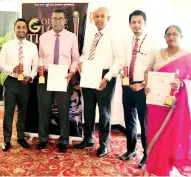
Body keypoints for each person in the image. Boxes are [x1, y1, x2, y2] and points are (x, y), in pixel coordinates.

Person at [74, 7, 123, 157]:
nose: (99, 19)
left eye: (103, 16)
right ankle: (88, 139)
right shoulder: (90, 34)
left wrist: (107, 77)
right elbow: (83, 54)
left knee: (104, 113)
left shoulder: (114, 35)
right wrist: (81, 63)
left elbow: (120, 59)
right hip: (89, 74)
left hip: (105, 76)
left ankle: (104, 145)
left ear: (108, 18)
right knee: (88, 110)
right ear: (93, 17)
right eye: (97, 16)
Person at [145, 25, 191, 176]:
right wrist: (147, 85)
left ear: (181, 37)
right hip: (156, 102)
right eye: (168, 34)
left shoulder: (187, 56)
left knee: (168, 136)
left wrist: (182, 83)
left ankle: (163, 169)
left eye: (175, 34)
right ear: (164, 37)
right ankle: (152, 167)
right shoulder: (157, 53)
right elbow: (148, 71)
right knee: (154, 133)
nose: (171, 37)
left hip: (174, 105)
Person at [119, 10, 158, 169]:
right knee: (129, 120)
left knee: (145, 123)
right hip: (127, 85)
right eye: (133, 22)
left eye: (139, 22)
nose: (136, 25)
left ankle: (147, 155)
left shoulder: (153, 44)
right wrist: (124, 78)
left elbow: (155, 67)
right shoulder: (126, 43)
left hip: (144, 87)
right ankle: (131, 150)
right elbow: (122, 62)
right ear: (129, 24)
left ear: (145, 23)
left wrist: (142, 84)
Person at [36, 9, 79, 153]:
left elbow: (76, 59)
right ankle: (43, 139)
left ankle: (63, 140)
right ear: (51, 19)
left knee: (63, 110)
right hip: (46, 75)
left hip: (64, 76)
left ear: (65, 21)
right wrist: (40, 66)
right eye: (55, 18)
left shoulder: (72, 37)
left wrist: (72, 72)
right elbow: (40, 56)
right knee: (44, 109)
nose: (57, 21)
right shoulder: (43, 37)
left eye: (60, 18)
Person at [0, 18, 38, 151]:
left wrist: (31, 77)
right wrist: (12, 69)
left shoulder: (33, 47)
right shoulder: (6, 46)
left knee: (23, 112)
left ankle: (21, 137)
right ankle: (6, 140)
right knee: (8, 112)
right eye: (18, 27)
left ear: (27, 30)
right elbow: (0, 65)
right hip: (11, 82)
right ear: (14, 28)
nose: (21, 30)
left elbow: (35, 66)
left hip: (25, 83)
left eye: (23, 27)